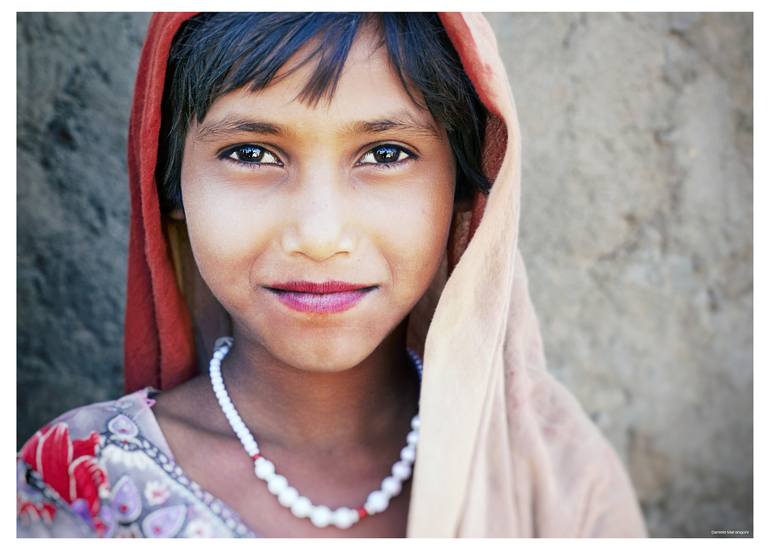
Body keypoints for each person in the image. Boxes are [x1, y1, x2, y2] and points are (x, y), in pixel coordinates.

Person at [17, 12, 648, 537]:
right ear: (171, 186)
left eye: (386, 153)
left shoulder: (556, 483)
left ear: (465, 193)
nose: (319, 236)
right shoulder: (80, 482)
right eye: (251, 153)